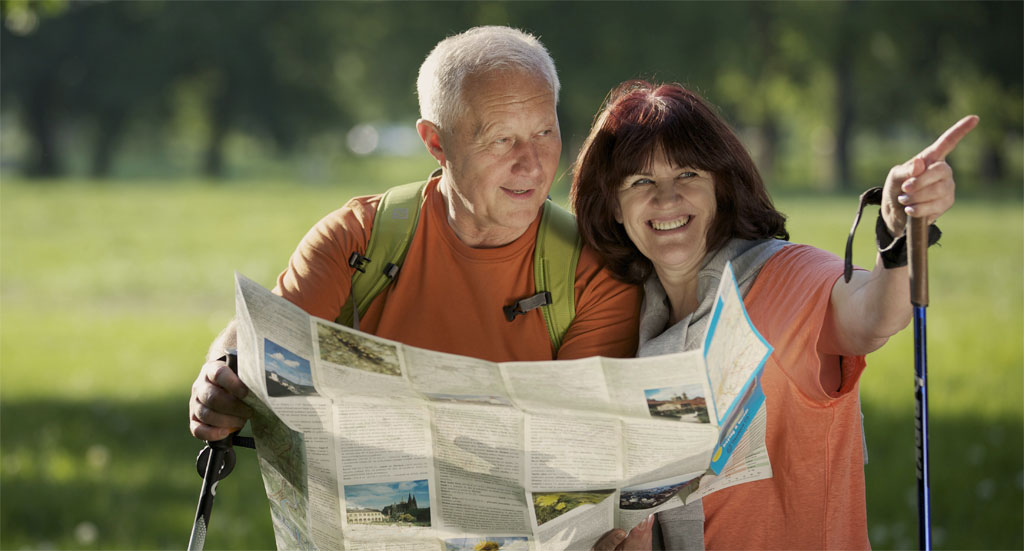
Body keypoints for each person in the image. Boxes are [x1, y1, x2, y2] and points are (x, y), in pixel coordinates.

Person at [573, 81, 976, 550]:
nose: (666, 199)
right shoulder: (626, 313)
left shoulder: (783, 276)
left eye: (687, 174)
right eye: (641, 182)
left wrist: (896, 230)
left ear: (720, 188)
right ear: (615, 208)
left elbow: (873, 315)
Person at [188, 26, 641, 443]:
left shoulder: (596, 269)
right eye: (501, 140)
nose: (533, 164)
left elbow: (582, 448)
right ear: (436, 143)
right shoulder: (357, 240)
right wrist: (218, 379)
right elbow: (261, 339)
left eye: (545, 131)